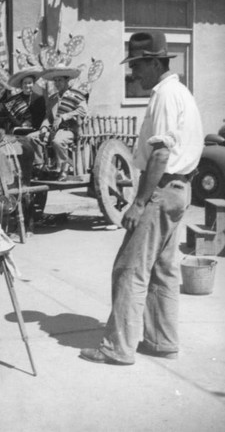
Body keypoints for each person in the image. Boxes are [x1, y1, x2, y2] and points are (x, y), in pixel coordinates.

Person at [80, 31, 204, 365]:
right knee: (163, 269)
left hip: (161, 190)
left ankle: (117, 348)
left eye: (137, 65)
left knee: (128, 269)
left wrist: (137, 203)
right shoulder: (181, 93)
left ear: (153, 61)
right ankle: (162, 340)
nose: (133, 73)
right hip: (180, 190)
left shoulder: (164, 96)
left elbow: (161, 156)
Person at [28, 65, 87, 181]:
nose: (57, 83)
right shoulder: (53, 98)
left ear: (67, 80)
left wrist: (64, 116)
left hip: (69, 130)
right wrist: (44, 127)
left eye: (60, 80)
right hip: (54, 130)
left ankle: (63, 169)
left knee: (57, 141)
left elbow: (83, 110)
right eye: (55, 81)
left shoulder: (76, 95)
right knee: (30, 138)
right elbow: (48, 118)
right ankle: (39, 166)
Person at [4, 67, 46, 132]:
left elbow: (41, 116)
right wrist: (20, 124)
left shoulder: (39, 99)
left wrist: (31, 124)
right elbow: (9, 114)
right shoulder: (14, 99)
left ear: (33, 83)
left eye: (29, 83)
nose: (27, 85)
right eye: (25, 83)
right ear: (21, 84)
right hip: (18, 128)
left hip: (34, 129)